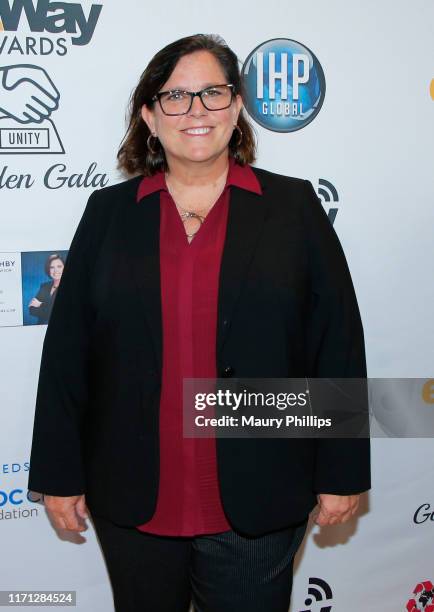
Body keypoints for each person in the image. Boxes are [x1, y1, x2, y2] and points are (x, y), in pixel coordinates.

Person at [27, 33, 371, 612]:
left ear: (237, 107)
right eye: (175, 97)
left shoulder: (293, 209)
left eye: (212, 94)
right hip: (135, 496)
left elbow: (335, 342)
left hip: (258, 498)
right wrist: (58, 473)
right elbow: (68, 354)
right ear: (149, 115)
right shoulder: (108, 214)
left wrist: (342, 470)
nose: (195, 111)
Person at [28, 253, 64, 324]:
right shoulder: (45, 286)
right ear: (48, 270)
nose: (56, 270)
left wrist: (40, 305)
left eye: (59, 266)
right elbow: (32, 310)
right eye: (52, 267)